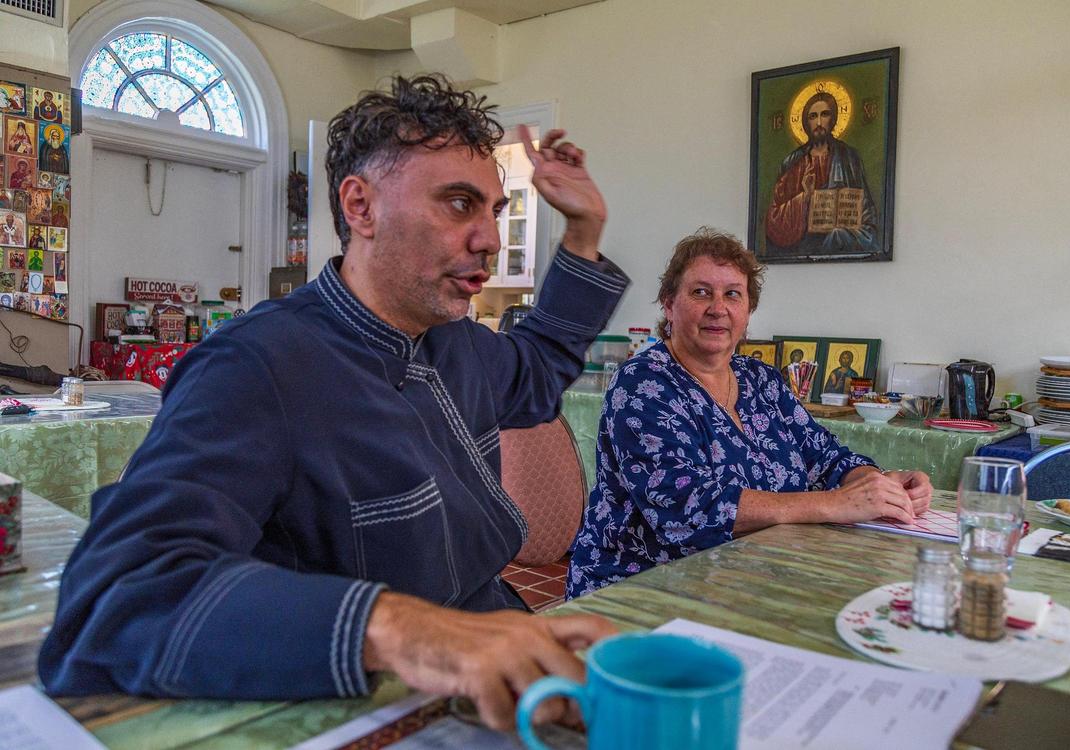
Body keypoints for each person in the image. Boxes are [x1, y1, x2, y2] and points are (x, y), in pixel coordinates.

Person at [39, 75, 628, 730]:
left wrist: (584, 232)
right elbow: (113, 600)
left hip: (497, 671)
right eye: (460, 204)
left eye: (495, 209)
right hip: (361, 706)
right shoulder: (256, 367)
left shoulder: (460, 344)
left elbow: (540, 372)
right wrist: (398, 627)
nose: (489, 237)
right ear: (361, 206)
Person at [566, 228, 931, 597]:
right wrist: (836, 503)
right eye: (701, 291)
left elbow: (825, 457)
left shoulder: (761, 379)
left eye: (733, 295)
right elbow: (688, 511)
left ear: (748, 310)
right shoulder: (643, 383)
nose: (718, 308)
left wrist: (877, 484)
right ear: (668, 304)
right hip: (647, 588)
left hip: (752, 575)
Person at [764, 92, 878, 256]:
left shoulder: (848, 157)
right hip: (803, 246)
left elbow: (866, 208)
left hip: (840, 240)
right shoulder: (792, 162)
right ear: (805, 122)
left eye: (824, 114)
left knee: (837, 235)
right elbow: (774, 218)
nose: (818, 122)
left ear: (833, 119)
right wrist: (806, 196)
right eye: (812, 116)